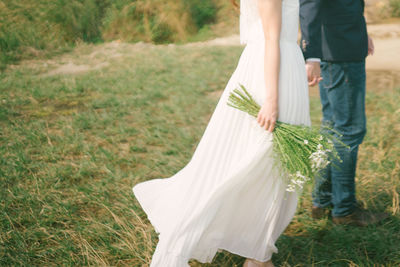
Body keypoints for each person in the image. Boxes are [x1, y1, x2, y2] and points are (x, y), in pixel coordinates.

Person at [132, 0, 311, 266]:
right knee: (263, 159)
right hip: (272, 72)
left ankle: (256, 250)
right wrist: (271, 99)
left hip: (283, 65)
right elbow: (271, 38)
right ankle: (252, 252)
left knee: (274, 164)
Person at [299, 0, 389, 226]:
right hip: (339, 52)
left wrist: (361, 33)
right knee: (349, 130)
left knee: (332, 128)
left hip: (344, 44)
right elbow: (309, 5)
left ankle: (323, 201)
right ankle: (345, 210)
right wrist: (311, 55)